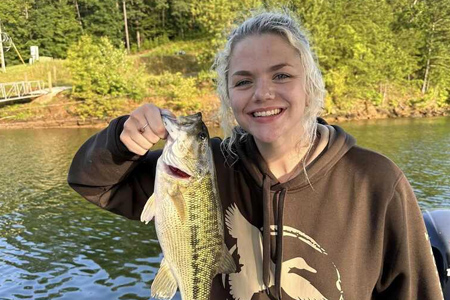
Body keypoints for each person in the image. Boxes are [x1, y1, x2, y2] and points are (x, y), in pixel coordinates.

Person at [68, 10, 443, 300]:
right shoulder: (204, 169)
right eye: (244, 81)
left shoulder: (375, 181)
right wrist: (123, 140)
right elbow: (92, 182)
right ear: (228, 97)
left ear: (311, 86)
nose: (262, 93)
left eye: (282, 76)